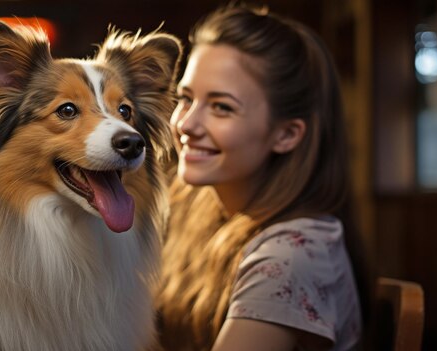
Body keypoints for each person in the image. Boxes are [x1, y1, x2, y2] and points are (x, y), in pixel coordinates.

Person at [155, 3, 369, 351]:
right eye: (185, 98)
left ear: (286, 135)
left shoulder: (290, 257)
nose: (185, 124)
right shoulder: (196, 207)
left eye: (221, 107)